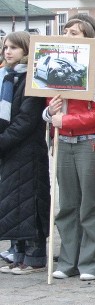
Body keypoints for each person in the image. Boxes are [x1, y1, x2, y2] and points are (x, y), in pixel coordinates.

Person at [48, 19, 95, 281]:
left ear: (87, 38)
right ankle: (68, 260)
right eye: (65, 31)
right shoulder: (56, 64)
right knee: (67, 205)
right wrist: (49, 114)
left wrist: (66, 121)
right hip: (64, 142)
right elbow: (49, 103)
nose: (66, 35)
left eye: (73, 32)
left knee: (92, 204)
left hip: (90, 142)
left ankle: (93, 262)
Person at [0, 32, 50, 275]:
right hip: (9, 151)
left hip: (28, 150)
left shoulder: (34, 79)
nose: (8, 52)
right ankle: (17, 253)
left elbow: (26, 120)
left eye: (14, 48)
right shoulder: (7, 77)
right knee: (11, 202)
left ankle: (35, 256)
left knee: (29, 202)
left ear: (26, 50)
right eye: (6, 47)